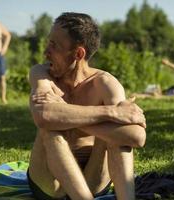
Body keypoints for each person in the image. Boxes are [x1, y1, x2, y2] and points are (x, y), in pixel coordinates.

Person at [28, 12, 146, 200]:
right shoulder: (42, 73)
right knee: (49, 130)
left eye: (54, 45)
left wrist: (64, 116)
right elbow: (43, 116)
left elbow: (137, 137)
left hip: (93, 178)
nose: (46, 51)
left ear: (78, 53)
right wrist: (111, 113)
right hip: (50, 182)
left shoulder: (105, 84)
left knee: (115, 139)